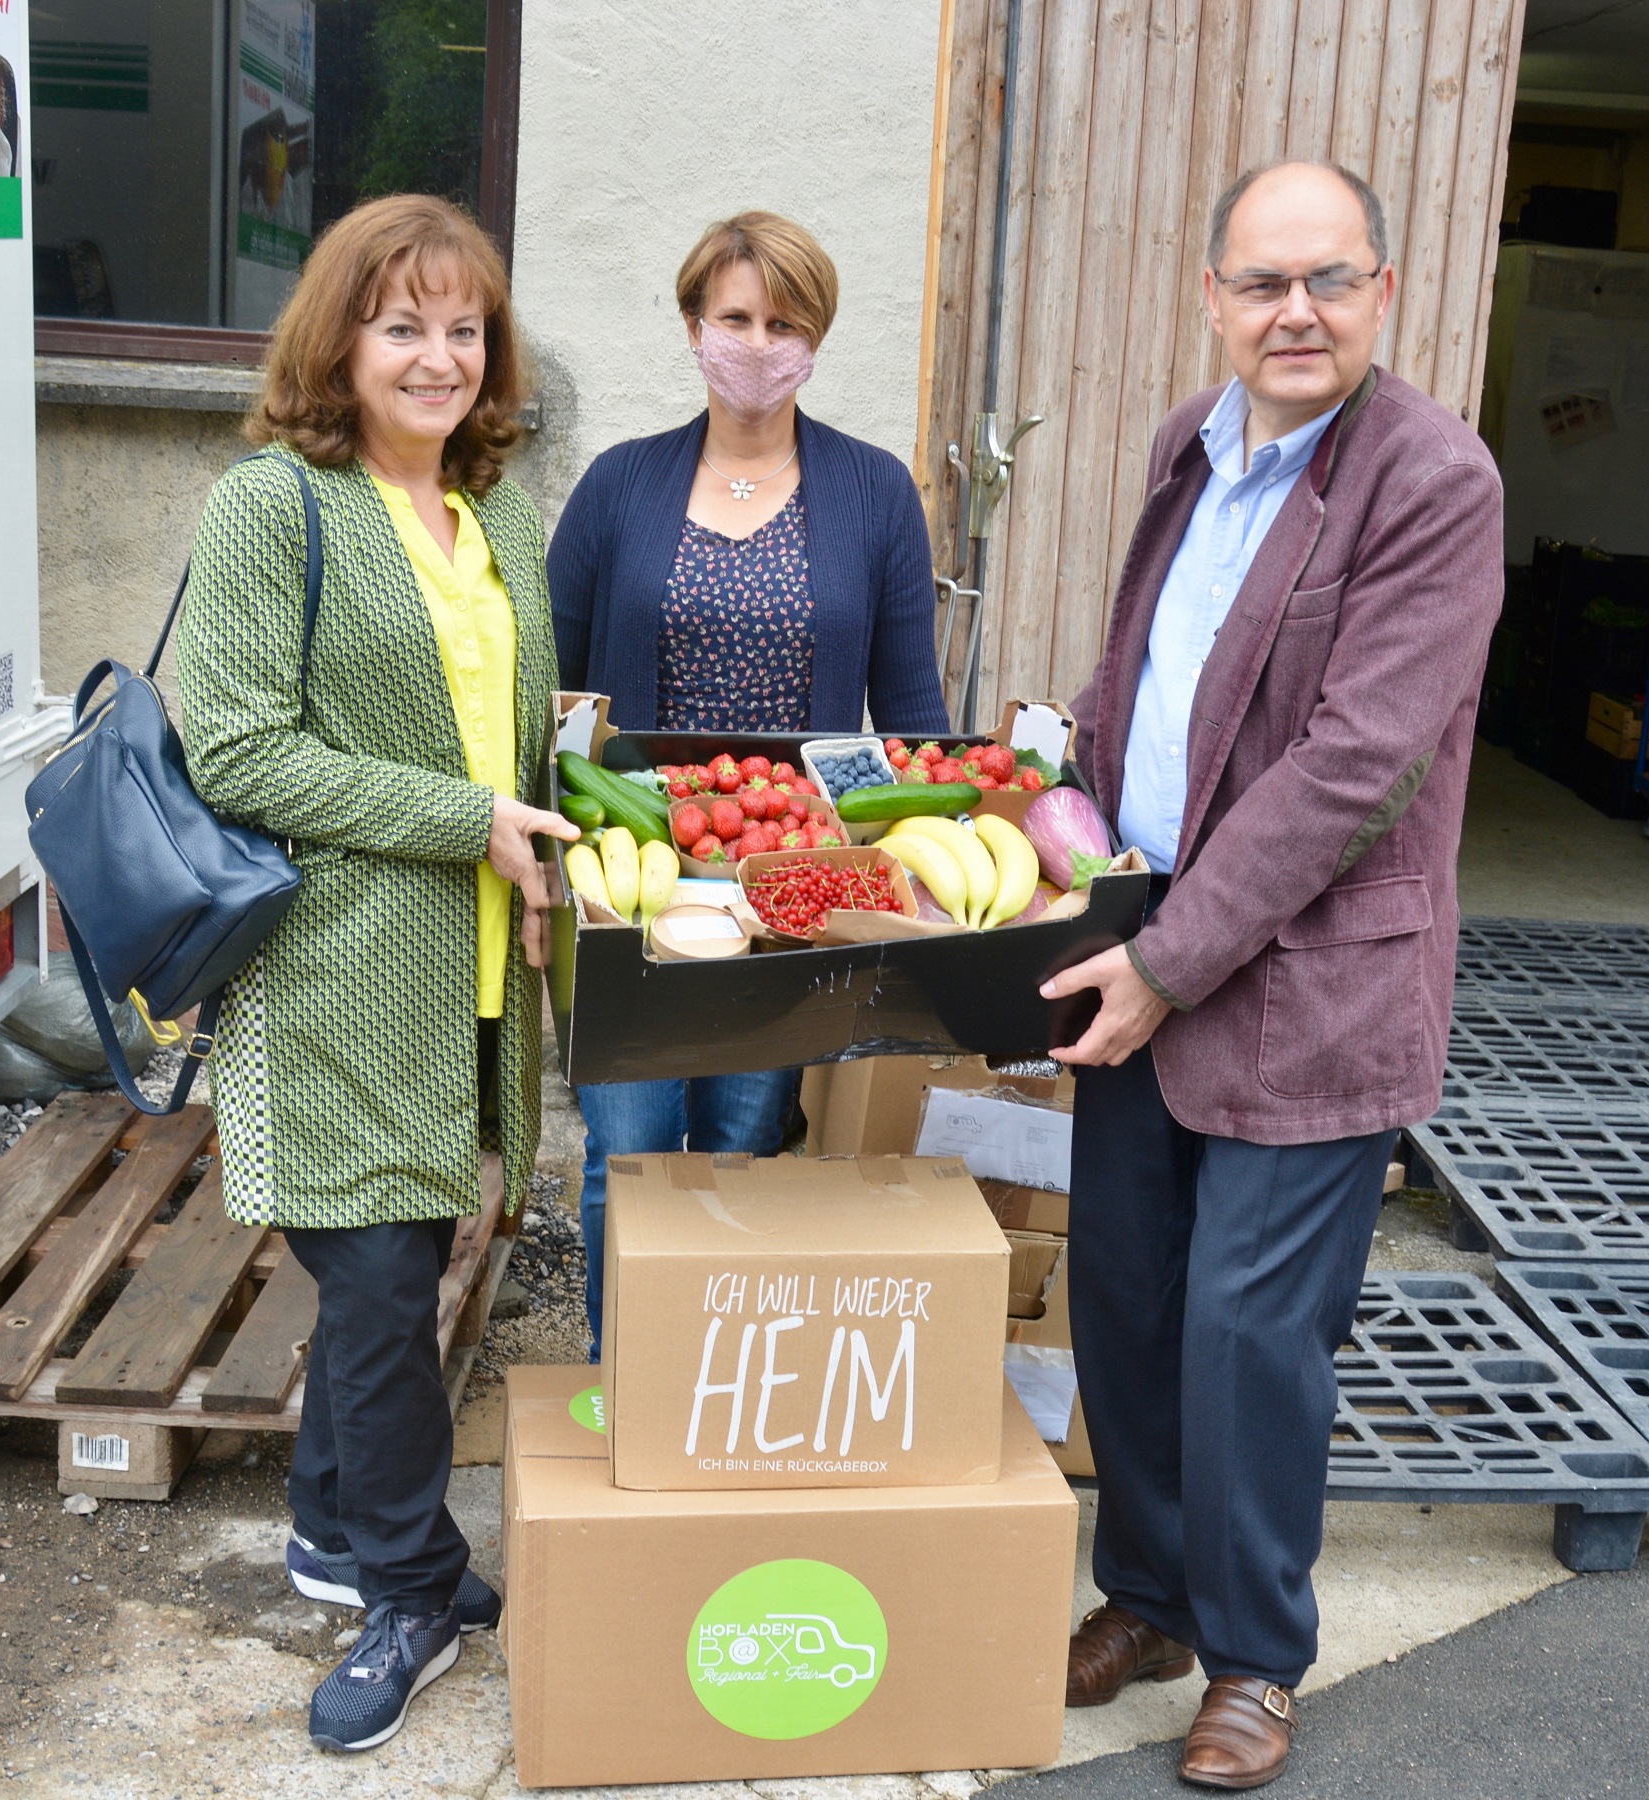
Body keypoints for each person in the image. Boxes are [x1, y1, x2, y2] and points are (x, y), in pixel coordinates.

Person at [1040, 162, 1503, 1790]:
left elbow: (1352, 765)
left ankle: (1254, 1655)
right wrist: (1063, 793)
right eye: (1261, 282)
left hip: (1309, 976)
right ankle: (1151, 1598)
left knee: (1246, 1331)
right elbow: (1146, 659)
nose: (1292, 311)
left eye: (1327, 279)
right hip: (1151, 931)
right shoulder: (1195, 438)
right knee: (1129, 1298)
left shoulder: (1432, 482)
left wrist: (1167, 958)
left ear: (1382, 293)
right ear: (1214, 295)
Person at [175, 194, 577, 1754]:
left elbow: (512, 726)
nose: (439, 356)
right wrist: (467, 821)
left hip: (475, 971)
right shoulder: (274, 506)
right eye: (402, 323)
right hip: (340, 971)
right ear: (337, 337)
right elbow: (240, 749)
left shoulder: (503, 515)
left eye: (463, 326)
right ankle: (411, 1587)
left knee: (401, 1254)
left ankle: (329, 1529)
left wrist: (558, 829)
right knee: (382, 1285)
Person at [548, 210, 950, 1360]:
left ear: (815, 338)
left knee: (748, 1146)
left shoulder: (873, 495)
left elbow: (912, 717)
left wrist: (928, 884)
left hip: (797, 887)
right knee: (627, 1154)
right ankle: (626, 1389)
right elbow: (555, 700)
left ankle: (720, 1396)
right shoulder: (620, 487)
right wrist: (545, 869)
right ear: (693, 326)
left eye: (785, 322)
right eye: (736, 318)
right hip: (634, 878)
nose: (759, 343)